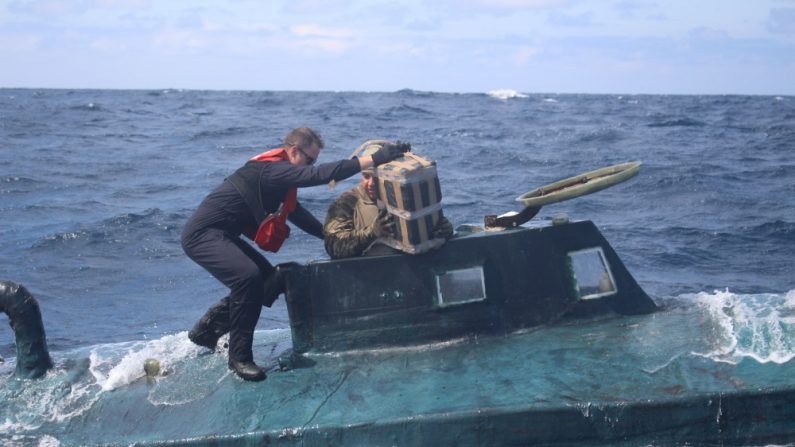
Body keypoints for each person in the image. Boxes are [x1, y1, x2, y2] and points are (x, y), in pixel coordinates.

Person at [181, 127, 407, 381]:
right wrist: (375, 158)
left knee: (271, 278)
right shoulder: (272, 171)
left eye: (313, 161)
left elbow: (297, 214)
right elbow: (319, 175)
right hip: (203, 234)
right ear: (294, 151)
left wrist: (330, 236)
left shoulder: (280, 182)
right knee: (247, 277)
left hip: (222, 234)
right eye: (308, 160)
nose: (310, 166)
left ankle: (208, 331)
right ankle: (240, 358)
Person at [323, 144, 453, 259]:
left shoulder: (407, 198)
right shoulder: (346, 203)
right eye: (366, 176)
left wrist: (443, 231)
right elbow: (333, 247)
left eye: (377, 177)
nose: (371, 183)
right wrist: (372, 233)